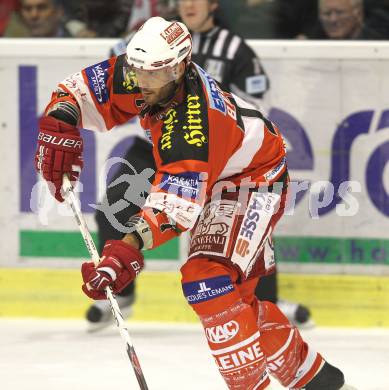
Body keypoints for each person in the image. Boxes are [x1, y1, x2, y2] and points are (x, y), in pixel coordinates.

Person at [34, 16, 354, 390]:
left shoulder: (195, 123)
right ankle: (321, 381)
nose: (141, 82)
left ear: (181, 66)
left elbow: (174, 207)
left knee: (207, 277)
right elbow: (79, 91)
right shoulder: (145, 68)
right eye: (137, 70)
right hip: (218, 173)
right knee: (239, 303)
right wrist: (60, 121)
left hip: (251, 180)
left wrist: (126, 249)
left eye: (154, 74)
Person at [89, 0, 312, 332]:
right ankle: (123, 295)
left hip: (215, 155)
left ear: (214, 5)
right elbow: (115, 75)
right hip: (155, 148)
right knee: (112, 207)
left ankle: (267, 303)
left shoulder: (234, 48)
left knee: (246, 221)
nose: (189, 4)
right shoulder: (153, 37)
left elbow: (257, 103)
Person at [308, 0, 389, 40]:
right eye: (327, 13)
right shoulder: (311, 44)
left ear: (358, 13)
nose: (333, 19)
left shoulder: (379, 43)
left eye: (340, 12)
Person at [4, 0, 70, 37]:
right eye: (27, 8)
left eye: (42, 7)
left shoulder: (76, 44)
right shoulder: (13, 45)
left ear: (59, 12)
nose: (33, 15)